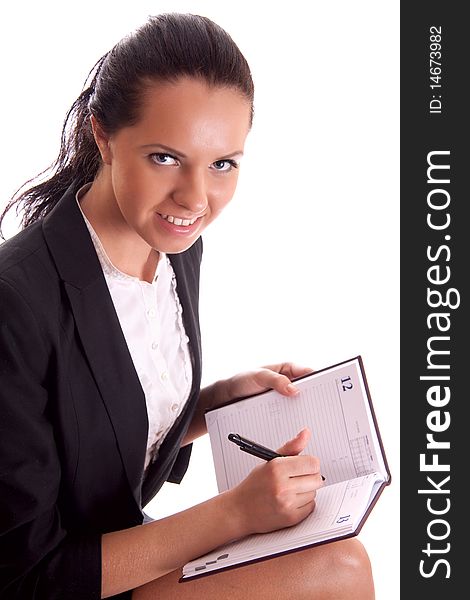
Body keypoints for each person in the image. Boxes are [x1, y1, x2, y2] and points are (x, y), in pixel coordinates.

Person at [0, 13, 375, 599]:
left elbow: (96, 418)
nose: (196, 198)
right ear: (103, 135)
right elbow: (25, 575)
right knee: (340, 571)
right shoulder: (15, 303)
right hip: (59, 582)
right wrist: (235, 515)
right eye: (165, 158)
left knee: (338, 554)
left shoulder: (174, 248)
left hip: (115, 551)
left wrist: (214, 406)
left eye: (223, 164)